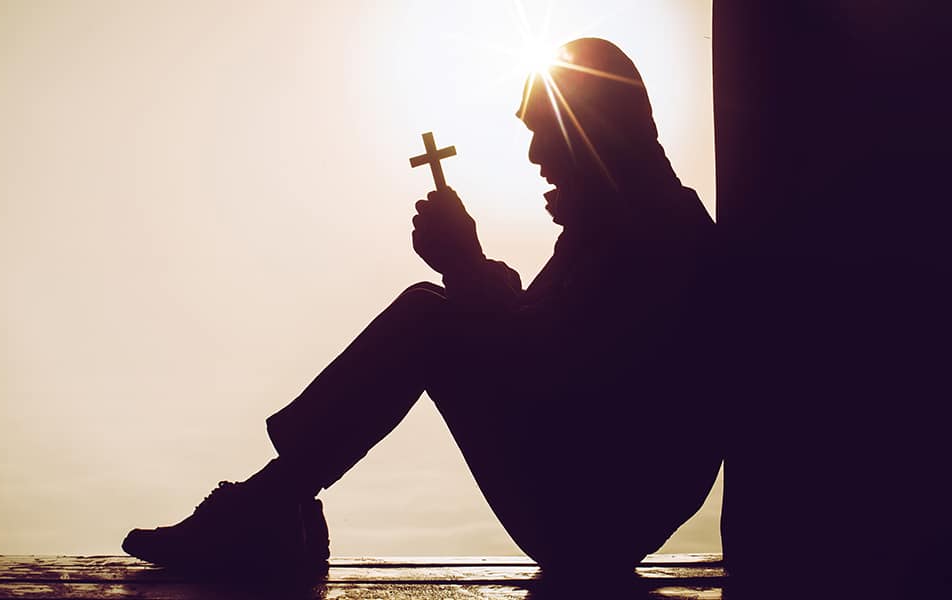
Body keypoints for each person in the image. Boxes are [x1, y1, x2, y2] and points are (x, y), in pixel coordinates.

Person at [123, 38, 720, 576]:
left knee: (426, 318)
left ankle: (267, 510)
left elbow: (547, 366)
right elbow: (532, 339)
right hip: (593, 499)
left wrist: (464, 267)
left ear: (599, 129)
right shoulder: (617, 224)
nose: (537, 155)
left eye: (547, 131)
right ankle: (275, 505)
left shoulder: (650, 232)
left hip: (597, 513)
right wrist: (472, 267)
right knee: (431, 311)